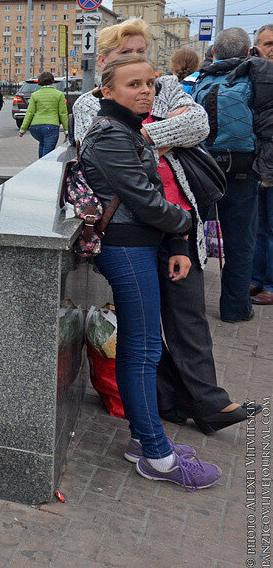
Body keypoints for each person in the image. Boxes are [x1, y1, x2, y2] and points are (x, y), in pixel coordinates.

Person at [74, 19, 253, 435]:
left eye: (143, 53)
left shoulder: (166, 86)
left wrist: (141, 135)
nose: (139, 65)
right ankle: (163, 410)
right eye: (126, 54)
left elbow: (198, 125)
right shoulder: (89, 102)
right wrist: (153, 135)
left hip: (177, 215)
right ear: (104, 62)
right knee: (143, 332)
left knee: (187, 314)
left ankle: (209, 402)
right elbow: (98, 145)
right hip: (134, 227)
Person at [79, 55, 220, 490]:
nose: (145, 91)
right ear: (107, 91)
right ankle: (157, 456)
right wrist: (187, 224)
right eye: (133, 84)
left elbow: (155, 188)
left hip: (142, 245)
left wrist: (177, 242)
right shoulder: (108, 134)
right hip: (126, 250)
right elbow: (145, 199)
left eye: (150, 84)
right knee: (142, 351)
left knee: (141, 349)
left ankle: (145, 440)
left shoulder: (131, 129)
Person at [196, 27, 270, 322]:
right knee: (240, 242)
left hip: (203, 168)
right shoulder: (255, 79)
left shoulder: (201, 79)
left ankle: (188, 305)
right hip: (241, 171)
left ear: (213, 52)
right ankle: (235, 308)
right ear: (249, 52)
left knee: (192, 236)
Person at [250, 24, 273, 305]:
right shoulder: (252, 76)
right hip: (258, 164)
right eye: (268, 44)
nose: (272, 49)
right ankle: (256, 279)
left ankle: (270, 284)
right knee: (257, 228)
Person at [19, 71, 69, 158]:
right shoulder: (59, 95)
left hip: (36, 128)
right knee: (48, 154)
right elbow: (63, 113)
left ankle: (40, 163)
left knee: (42, 144)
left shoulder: (35, 95)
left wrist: (23, 129)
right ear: (52, 81)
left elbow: (30, 113)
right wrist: (67, 130)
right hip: (51, 126)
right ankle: (44, 165)